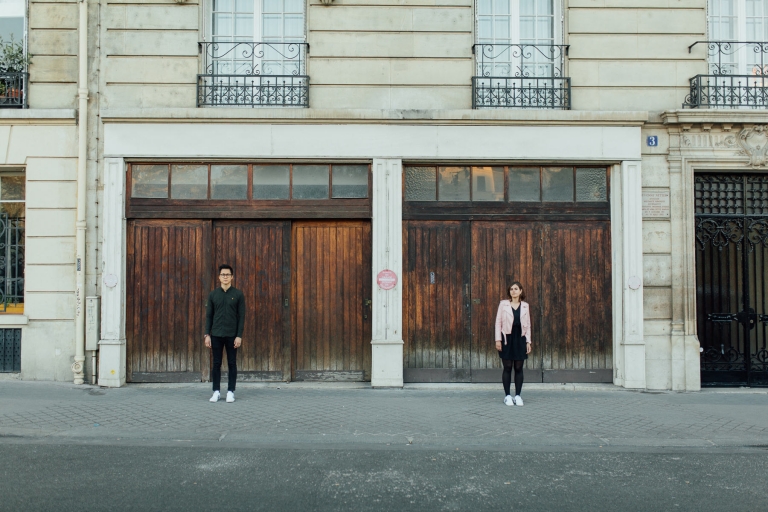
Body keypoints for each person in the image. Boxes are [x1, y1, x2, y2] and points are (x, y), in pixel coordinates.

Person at [205, 264, 245, 403]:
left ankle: (230, 391)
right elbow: (209, 316)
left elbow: (241, 317)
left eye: (228, 274)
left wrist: (239, 335)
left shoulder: (238, 294)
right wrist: (207, 334)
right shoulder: (213, 295)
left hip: (232, 335)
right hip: (216, 334)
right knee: (216, 363)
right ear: (219, 277)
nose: (225, 277)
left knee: (232, 363)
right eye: (223, 274)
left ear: (232, 277)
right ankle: (216, 391)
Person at [494, 281, 532, 407]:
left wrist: (528, 341)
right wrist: (498, 340)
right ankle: (507, 396)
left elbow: (528, 325)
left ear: (521, 291)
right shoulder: (503, 304)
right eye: (511, 289)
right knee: (508, 367)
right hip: (507, 338)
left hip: (520, 338)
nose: (513, 291)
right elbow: (498, 322)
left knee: (519, 368)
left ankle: (518, 396)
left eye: (516, 289)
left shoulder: (525, 306)